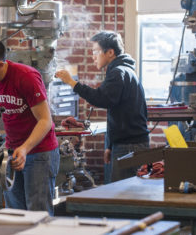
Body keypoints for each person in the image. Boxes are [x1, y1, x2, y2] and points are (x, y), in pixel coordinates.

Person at [0, 38, 59, 215]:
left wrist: (25, 148)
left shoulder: (26, 77)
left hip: (39, 152)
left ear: (1, 65)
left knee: (38, 216)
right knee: (15, 215)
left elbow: (45, 121)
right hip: (13, 153)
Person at [55, 31, 149, 183]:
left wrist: (72, 83)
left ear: (110, 52)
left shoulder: (119, 73)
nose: (93, 56)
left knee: (123, 196)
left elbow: (101, 98)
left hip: (130, 146)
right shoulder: (124, 71)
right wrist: (110, 145)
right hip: (127, 143)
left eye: (95, 52)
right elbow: (116, 110)